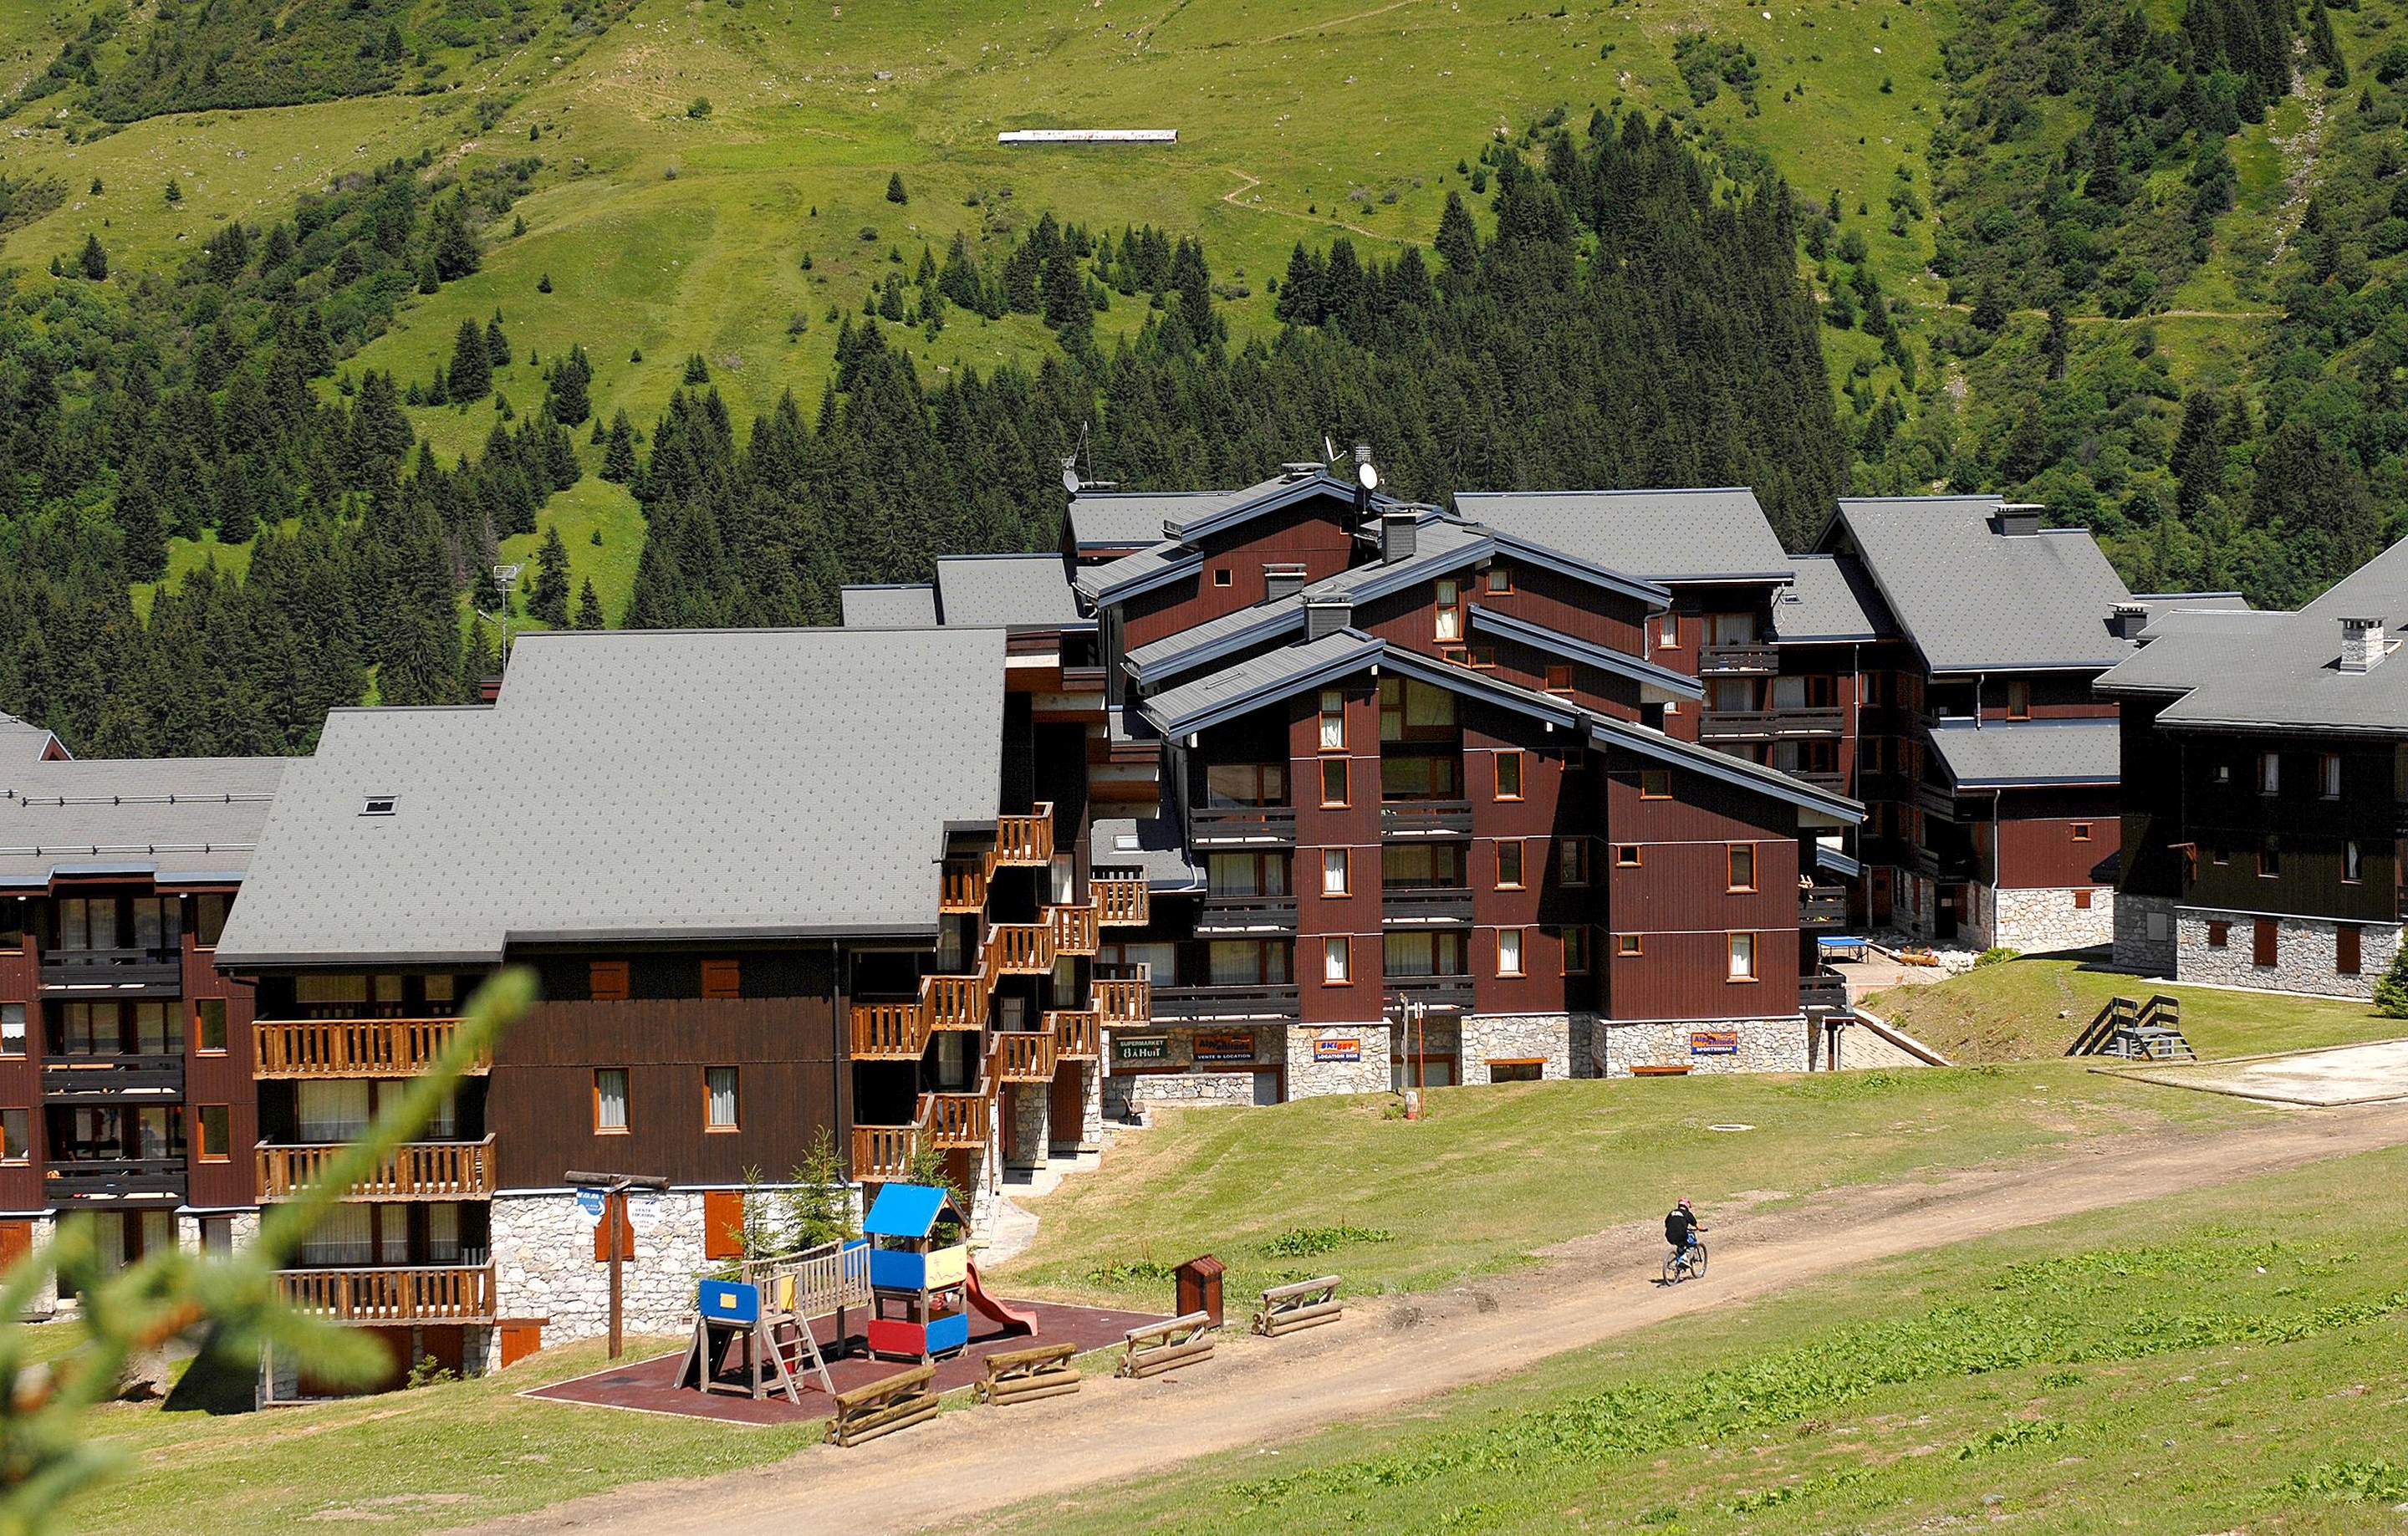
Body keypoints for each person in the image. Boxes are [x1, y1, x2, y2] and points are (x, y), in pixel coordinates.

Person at [1664, 1198, 1705, 1262]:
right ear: (1687, 1206)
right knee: (1693, 1242)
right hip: (1681, 1235)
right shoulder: (1687, 1214)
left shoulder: (1672, 1212)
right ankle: (1684, 1259)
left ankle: (1680, 1260)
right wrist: (1704, 1229)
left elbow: (1666, 1223)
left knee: (1681, 1244)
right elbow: (1698, 1227)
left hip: (1669, 1235)